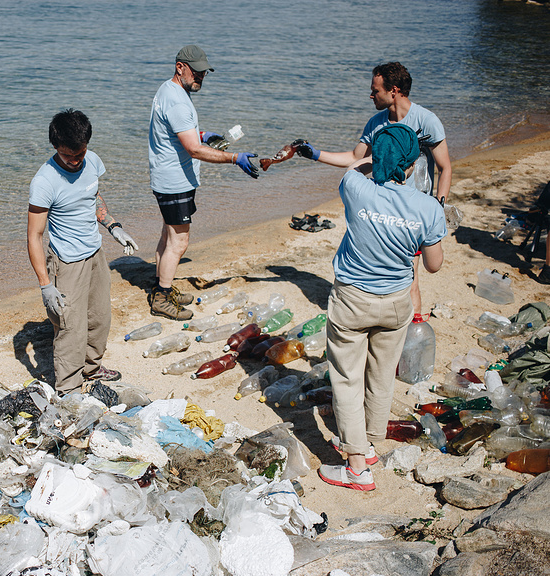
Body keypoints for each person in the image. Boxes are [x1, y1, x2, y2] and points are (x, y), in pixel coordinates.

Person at [318, 123, 446, 491]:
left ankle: (357, 466)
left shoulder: (356, 188)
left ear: (379, 157)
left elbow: (356, 166)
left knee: (346, 377)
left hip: (352, 300)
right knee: (381, 373)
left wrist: (376, 155)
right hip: (395, 302)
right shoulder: (427, 207)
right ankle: (369, 444)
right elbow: (434, 264)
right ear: (411, 165)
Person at [294, 62, 451, 318]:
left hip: (413, 210)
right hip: (381, 206)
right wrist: (313, 153)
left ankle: (413, 328)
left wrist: (439, 209)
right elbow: (355, 158)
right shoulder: (376, 123)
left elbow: (445, 168)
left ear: (394, 90)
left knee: (411, 276)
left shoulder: (426, 121)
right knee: (399, 275)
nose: (370, 95)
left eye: (375, 90)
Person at [27, 109, 138, 394]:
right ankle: (68, 388)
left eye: (80, 154)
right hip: (66, 262)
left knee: (100, 318)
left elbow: (94, 195)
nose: (76, 161)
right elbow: (34, 235)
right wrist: (45, 285)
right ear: (55, 147)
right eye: (69, 156)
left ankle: (91, 367)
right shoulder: (44, 181)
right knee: (69, 329)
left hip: (95, 253)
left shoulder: (92, 161)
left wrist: (113, 227)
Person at [148, 44, 260, 320]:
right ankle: (161, 297)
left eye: (204, 73)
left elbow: (179, 131)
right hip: (174, 180)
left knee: (168, 236)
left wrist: (204, 132)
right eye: (196, 72)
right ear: (180, 67)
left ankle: (163, 287)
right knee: (179, 241)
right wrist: (234, 157)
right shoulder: (176, 100)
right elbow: (194, 150)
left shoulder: (168, 90)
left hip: (167, 177)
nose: (200, 77)